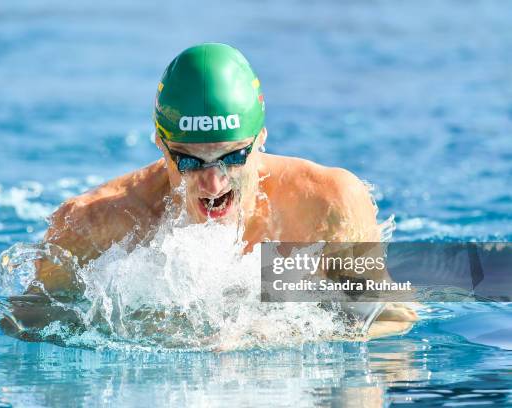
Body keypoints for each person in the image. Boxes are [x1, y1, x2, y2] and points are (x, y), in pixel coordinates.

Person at [28, 43, 418, 338]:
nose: (214, 184)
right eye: (189, 161)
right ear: (160, 145)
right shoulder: (91, 225)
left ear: (260, 138)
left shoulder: (325, 205)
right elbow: (28, 327)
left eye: (231, 158)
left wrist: (286, 337)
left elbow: (392, 315)